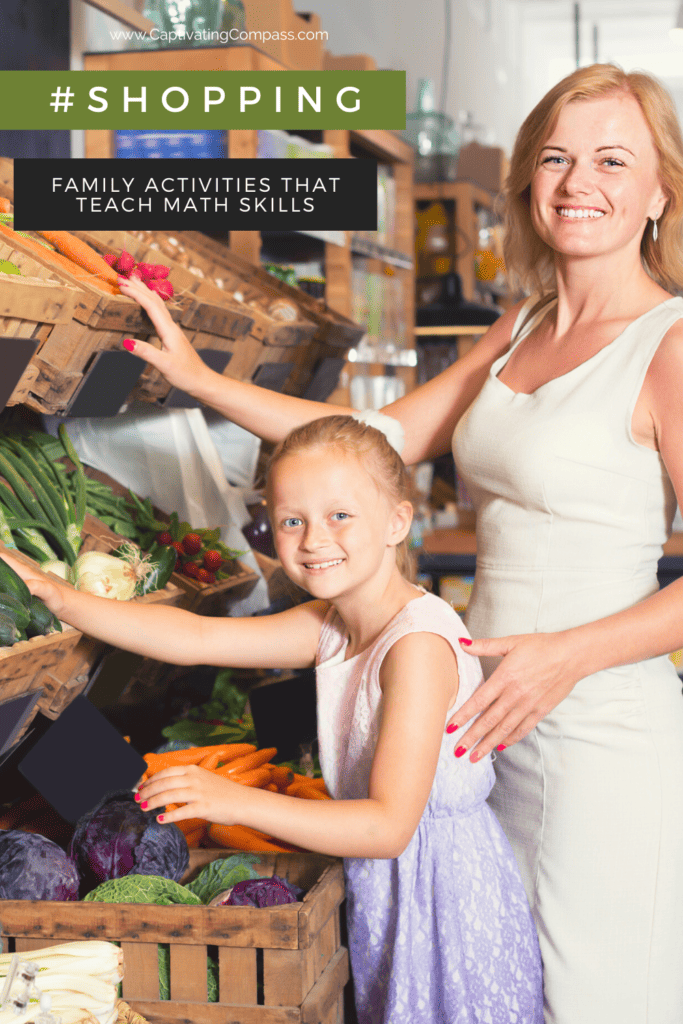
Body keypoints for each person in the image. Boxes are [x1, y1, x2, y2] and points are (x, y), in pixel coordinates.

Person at [114, 62, 683, 1023]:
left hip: (599, 731)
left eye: (611, 160)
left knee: (597, 990)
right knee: (499, 982)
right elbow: (372, 443)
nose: (577, 182)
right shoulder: (522, 325)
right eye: (554, 158)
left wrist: (562, 659)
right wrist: (198, 380)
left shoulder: (668, 342)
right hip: (471, 723)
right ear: (527, 183)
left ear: (659, 190)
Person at [4, 416, 543, 1024]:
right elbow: (194, 636)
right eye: (293, 520)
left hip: (443, 902)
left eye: (340, 515)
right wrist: (59, 595)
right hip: (397, 889)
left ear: (397, 520)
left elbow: (389, 826)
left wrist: (230, 799)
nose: (314, 539)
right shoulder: (336, 623)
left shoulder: (416, 647)